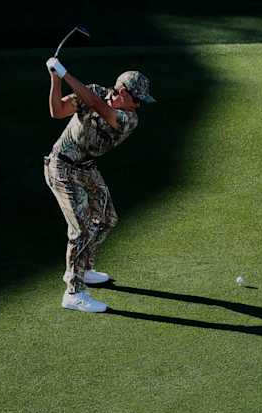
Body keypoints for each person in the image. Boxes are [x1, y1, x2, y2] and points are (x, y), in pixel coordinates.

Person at [43, 57, 155, 312]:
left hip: (85, 167)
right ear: (123, 92)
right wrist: (55, 79)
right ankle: (73, 292)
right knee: (81, 230)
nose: (138, 105)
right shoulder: (92, 92)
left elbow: (96, 105)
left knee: (107, 219)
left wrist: (66, 72)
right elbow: (56, 111)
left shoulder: (129, 119)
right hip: (61, 167)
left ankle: (84, 268)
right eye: (136, 98)